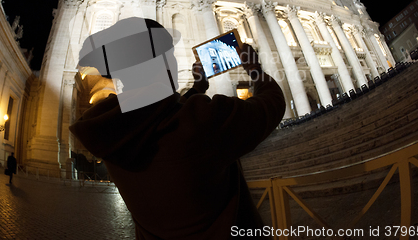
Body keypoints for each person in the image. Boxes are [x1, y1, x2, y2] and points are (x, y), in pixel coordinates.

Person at [70, 17, 285, 239]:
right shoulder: (202, 121)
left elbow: (154, 116)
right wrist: (255, 70)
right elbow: (271, 105)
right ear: (163, 63)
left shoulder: (108, 130)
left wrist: (197, 88)